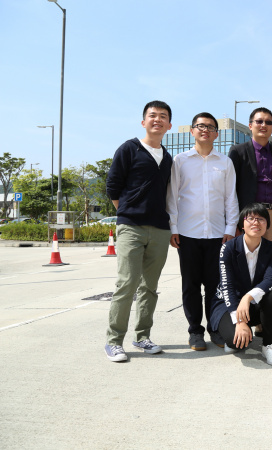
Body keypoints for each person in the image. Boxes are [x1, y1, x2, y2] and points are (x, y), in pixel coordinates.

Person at [104, 100, 174, 362]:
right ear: (143, 122)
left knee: (150, 287)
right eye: (152, 116)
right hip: (131, 227)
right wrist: (129, 211)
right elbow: (113, 186)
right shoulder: (129, 148)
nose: (157, 120)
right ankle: (113, 341)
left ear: (168, 125)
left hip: (159, 229)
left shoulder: (167, 157)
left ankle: (142, 336)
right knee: (127, 283)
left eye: (163, 116)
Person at [166, 112, 239, 351]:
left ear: (217, 134)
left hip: (218, 234)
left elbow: (231, 198)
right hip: (187, 233)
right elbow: (172, 197)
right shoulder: (180, 160)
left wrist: (230, 228)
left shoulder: (225, 162)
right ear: (192, 131)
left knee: (215, 286)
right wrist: (173, 228)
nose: (205, 130)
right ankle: (195, 332)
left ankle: (215, 329)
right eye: (200, 126)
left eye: (210, 127)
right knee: (190, 285)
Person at [209, 204, 272, 366]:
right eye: (251, 218)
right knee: (236, 343)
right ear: (243, 224)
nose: (256, 222)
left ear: (267, 225)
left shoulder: (270, 248)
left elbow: (270, 280)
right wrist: (239, 321)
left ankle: (268, 345)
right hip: (227, 305)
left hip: (252, 302)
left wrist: (248, 297)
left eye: (261, 219)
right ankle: (235, 332)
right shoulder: (228, 248)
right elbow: (227, 286)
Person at [228, 107, 272, 244]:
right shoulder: (238, 151)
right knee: (246, 259)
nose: (263, 125)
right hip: (248, 213)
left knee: (269, 259)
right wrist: (234, 222)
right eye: (259, 121)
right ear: (250, 125)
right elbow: (230, 188)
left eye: (268, 122)